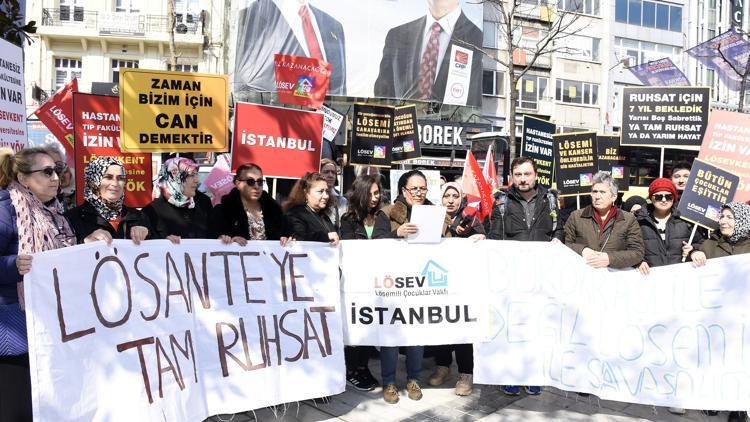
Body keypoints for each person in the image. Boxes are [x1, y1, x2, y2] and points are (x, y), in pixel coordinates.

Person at [0, 147, 76, 422]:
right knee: (15, 407)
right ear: (23, 178)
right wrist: (12, 265)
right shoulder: (6, 209)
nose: (55, 177)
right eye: (46, 172)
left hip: (44, 323)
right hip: (14, 327)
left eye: (57, 169)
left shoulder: (53, 213)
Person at [374, 170, 452, 404]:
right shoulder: (386, 213)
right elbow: (373, 246)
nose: (419, 193)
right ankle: (388, 382)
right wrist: (395, 234)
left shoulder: (435, 213)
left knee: (416, 334)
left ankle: (413, 379)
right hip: (394, 283)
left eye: (423, 189)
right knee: (391, 335)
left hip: (422, 283)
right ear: (403, 191)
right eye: (414, 189)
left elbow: (448, 243)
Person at [486, 157, 562, 396]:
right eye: (518, 174)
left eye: (527, 174)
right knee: (512, 328)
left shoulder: (550, 200)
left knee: (537, 327)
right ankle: (510, 374)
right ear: (511, 177)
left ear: (536, 175)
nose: (523, 179)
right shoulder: (502, 203)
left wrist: (559, 240)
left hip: (542, 277)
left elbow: (557, 229)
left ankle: (532, 374)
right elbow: (496, 241)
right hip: (513, 278)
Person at [691, 202, 750, 420]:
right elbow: (696, 271)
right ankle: (714, 397)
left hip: (744, 314)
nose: (723, 221)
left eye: (730, 217)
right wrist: (695, 254)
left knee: (742, 359)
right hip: (716, 314)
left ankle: (739, 406)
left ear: (742, 221)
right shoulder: (709, 244)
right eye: (722, 216)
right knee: (715, 355)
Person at [428, 181, 484, 396]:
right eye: (446, 196)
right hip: (439, 283)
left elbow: (483, 241)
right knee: (441, 327)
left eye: (455, 196)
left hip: (464, 284)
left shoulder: (472, 218)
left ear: (461, 198)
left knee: (462, 330)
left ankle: (465, 374)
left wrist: (478, 236)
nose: (450, 200)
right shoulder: (432, 218)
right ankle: (442, 367)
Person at [374, 0, 482, 106]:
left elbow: (475, 101)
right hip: (402, 122)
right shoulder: (397, 35)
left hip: (454, 123)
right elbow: (382, 95)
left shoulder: (478, 40)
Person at [338, 174, 389, 392]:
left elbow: (387, 244)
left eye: (377, 193)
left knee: (370, 327)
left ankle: (363, 366)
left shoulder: (382, 217)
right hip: (355, 283)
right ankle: (351, 371)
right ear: (360, 194)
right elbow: (351, 249)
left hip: (377, 283)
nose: (375, 198)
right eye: (370, 194)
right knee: (354, 329)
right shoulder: (348, 220)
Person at [234, 0, 346, 95]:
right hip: (275, 115)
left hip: (326, 117)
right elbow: (246, 83)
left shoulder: (333, 26)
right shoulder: (252, 18)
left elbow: (339, 89)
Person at [564, 171, 644, 269]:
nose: (597, 196)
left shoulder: (628, 219)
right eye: (594, 192)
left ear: (614, 196)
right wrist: (582, 250)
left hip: (613, 278)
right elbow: (565, 245)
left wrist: (610, 259)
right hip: (583, 276)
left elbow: (637, 252)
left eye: (602, 192)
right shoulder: (576, 217)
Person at [65, 157, 150, 245]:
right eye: (108, 177)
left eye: (120, 178)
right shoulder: (72, 219)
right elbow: (63, 254)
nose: (115, 184)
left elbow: (157, 252)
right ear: (93, 181)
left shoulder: (138, 217)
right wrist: (84, 241)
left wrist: (148, 234)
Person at [635, 178, 703, 275]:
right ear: (651, 198)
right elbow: (629, 248)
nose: (663, 200)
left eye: (668, 197)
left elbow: (701, 243)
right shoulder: (639, 221)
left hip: (680, 277)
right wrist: (638, 261)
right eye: (658, 197)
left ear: (674, 198)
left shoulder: (686, 220)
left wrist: (694, 250)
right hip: (649, 278)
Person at [211, 163, 289, 242]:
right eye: (250, 181)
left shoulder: (275, 210)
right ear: (238, 184)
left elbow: (287, 234)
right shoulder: (223, 211)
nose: (256, 186)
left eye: (260, 182)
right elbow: (211, 241)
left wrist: (285, 238)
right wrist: (229, 240)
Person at [142, 157, 214, 242]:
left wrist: (222, 238)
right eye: (191, 175)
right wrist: (163, 241)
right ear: (174, 177)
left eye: (196, 174)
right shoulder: (153, 210)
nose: (197, 181)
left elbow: (214, 233)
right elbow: (147, 244)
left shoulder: (203, 202)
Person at [283, 172, 339, 245]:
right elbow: (300, 238)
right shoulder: (295, 214)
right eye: (320, 191)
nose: (326, 196)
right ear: (306, 192)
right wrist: (326, 236)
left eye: (327, 191)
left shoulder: (324, 216)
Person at [320, 158, 347, 229]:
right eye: (326, 172)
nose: (330, 175)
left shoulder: (342, 201)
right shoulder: (310, 199)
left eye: (333, 172)